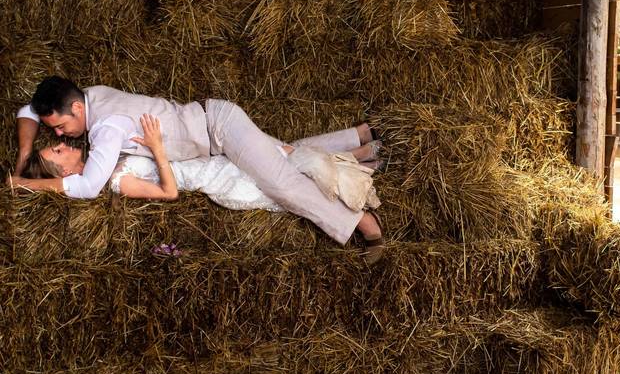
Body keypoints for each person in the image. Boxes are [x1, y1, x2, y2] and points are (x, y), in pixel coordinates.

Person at [11, 77, 386, 261]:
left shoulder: (106, 127)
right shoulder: (89, 94)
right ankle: (363, 142)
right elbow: (28, 110)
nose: (60, 135)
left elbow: (89, 186)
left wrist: (25, 183)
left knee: (282, 182)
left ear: (75, 110)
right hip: (212, 131)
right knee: (285, 153)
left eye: (59, 127)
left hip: (217, 130)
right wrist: (25, 151)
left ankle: (362, 223)